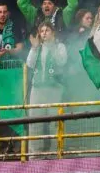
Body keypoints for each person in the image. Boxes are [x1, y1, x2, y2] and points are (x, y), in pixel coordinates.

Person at [24, 23, 68, 157]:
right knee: (34, 122)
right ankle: (34, 155)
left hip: (54, 89)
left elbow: (62, 61)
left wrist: (52, 47)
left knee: (55, 122)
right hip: (37, 90)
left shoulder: (60, 46)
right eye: (41, 31)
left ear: (53, 33)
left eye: (47, 30)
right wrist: (34, 48)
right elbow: (30, 64)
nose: (44, 33)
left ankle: (56, 153)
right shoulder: (38, 48)